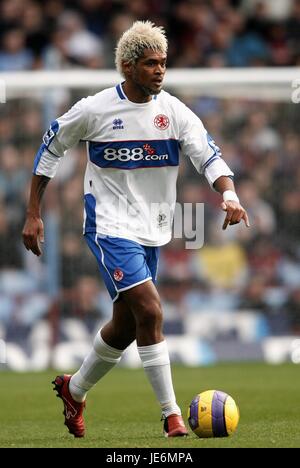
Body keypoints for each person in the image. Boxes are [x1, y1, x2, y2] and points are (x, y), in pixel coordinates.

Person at [22, 21, 250, 438]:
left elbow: (209, 156)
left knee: (127, 325)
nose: (160, 71)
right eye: (150, 64)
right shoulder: (94, 110)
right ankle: (171, 414)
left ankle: (74, 389)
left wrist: (230, 195)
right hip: (108, 226)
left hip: (153, 229)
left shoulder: (174, 112)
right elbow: (51, 147)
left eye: (163, 63)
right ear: (128, 67)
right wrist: (34, 212)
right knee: (151, 310)